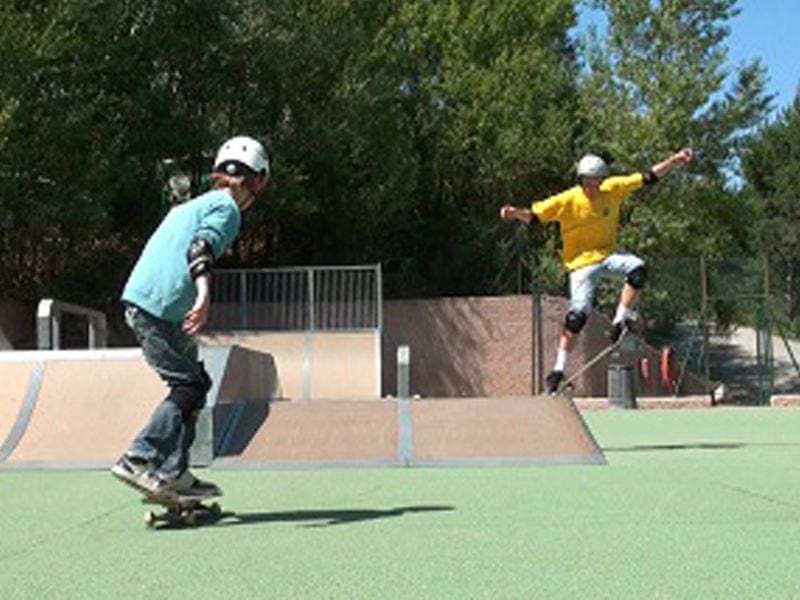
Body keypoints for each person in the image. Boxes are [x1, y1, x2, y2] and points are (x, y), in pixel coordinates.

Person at [111, 136, 270, 497]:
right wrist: (203, 294)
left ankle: (174, 473)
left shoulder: (192, 205)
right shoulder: (227, 208)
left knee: (196, 383)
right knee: (188, 386)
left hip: (158, 308)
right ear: (259, 180)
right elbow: (201, 247)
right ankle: (140, 457)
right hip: (156, 310)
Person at [500, 148, 693, 394]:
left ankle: (619, 320)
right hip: (580, 265)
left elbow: (647, 176)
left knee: (638, 269)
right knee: (576, 317)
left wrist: (674, 161)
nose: (593, 188)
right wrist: (514, 213)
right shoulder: (567, 200)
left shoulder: (612, 188)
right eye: (588, 183)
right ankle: (558, 371)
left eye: (596, 183)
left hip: (607, 256)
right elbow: (534, 216)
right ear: (581, 181)